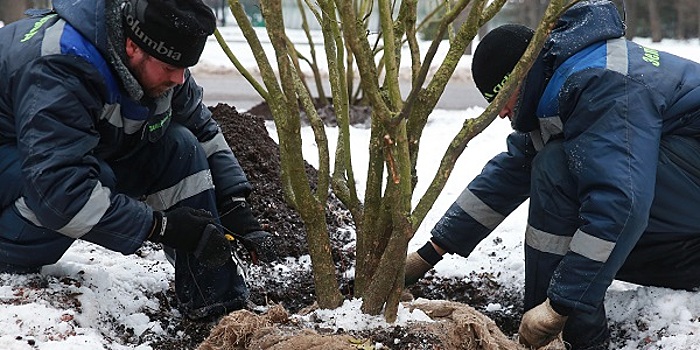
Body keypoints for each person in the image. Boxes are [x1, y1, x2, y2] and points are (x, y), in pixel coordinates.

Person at [404, 1, 700, 349]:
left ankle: (575, 336)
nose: (500, 114)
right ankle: (557, 326)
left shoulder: (602, 84)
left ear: (520, 76)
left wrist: (558, 306)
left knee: (559, 169)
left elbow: (622, 202)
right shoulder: (564, 77)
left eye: (500, 99)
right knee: (564, 187)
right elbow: (511, 172)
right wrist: (430, 252)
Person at [0, 0, 277, 321]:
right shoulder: (61, 68)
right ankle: (11, 253)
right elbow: (60, 193)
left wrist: (235, 204)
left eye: (185, 68)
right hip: (18, 162)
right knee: (89, 180)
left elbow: (201, 128)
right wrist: (161, 227)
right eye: (171, 68)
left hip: (44, 156)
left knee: (179, 145)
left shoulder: (159, 51)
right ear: (132, 47)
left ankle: (218, 305)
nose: (179, 79)